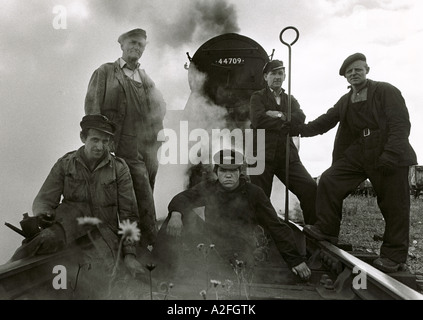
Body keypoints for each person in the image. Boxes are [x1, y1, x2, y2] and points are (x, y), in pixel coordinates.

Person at [290, 53, 417, 273]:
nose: (353, 74)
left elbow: (400, 124)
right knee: (330, 179)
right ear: (345, 77)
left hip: (388, 148)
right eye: (349, 72)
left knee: (394, 204)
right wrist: (297, 129)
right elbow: (324, 122)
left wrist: (390, 154)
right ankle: (327, 228)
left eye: (357, 69)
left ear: (367, 69)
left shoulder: (386, 90)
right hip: (360, 149)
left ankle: (394, 256)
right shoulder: (346, 100)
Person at [10, 115, 144, 277]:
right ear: (83, 138)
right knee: (34, 246)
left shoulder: (119, 169)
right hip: (68, 229)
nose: (100, 146)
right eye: (95, 140)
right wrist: (42, 215)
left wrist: (130, 255)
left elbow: (128, 215)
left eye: (105, 141)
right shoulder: (65, 164)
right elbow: (44, 201)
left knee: (106, 279)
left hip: (103, 235)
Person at [157, 149, 311, 281]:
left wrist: (295, 260)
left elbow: (275, 226)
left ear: (240, 172)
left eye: (233, 171)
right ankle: (158, 270)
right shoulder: (209, 188)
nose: (228, 175)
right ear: (217, 172)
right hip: (211, 244)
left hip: (240, 250)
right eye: (224, 171)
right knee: (175, 215)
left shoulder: (254, 193)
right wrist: (176, 215)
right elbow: (183, 198)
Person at [84, 28, 166, 247]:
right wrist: (99, 142)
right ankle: (131, 248)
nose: (136, 47)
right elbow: (92, 109)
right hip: (119, 144)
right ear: (121, 45)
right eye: (132, 43)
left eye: (140, 45)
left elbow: (160, 107)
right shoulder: (105, 72)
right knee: (126, 197)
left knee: (144, 195)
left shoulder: (145, 78)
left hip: (146, 147)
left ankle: (144, 250)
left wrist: (157, 132)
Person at [249, 59, 317, 225]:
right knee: (260, 198)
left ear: (285, 76)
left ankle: (313, 230)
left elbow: (301, 118)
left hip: (287, 154)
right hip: (261, 154)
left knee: (309, 188)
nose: (277, 77)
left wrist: (278, 115)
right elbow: (259, 120)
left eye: (280, 73)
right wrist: (285, 119)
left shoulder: (290, 99)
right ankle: (259, 236)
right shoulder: (257, 97)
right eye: (273, 73)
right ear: (266, 77)